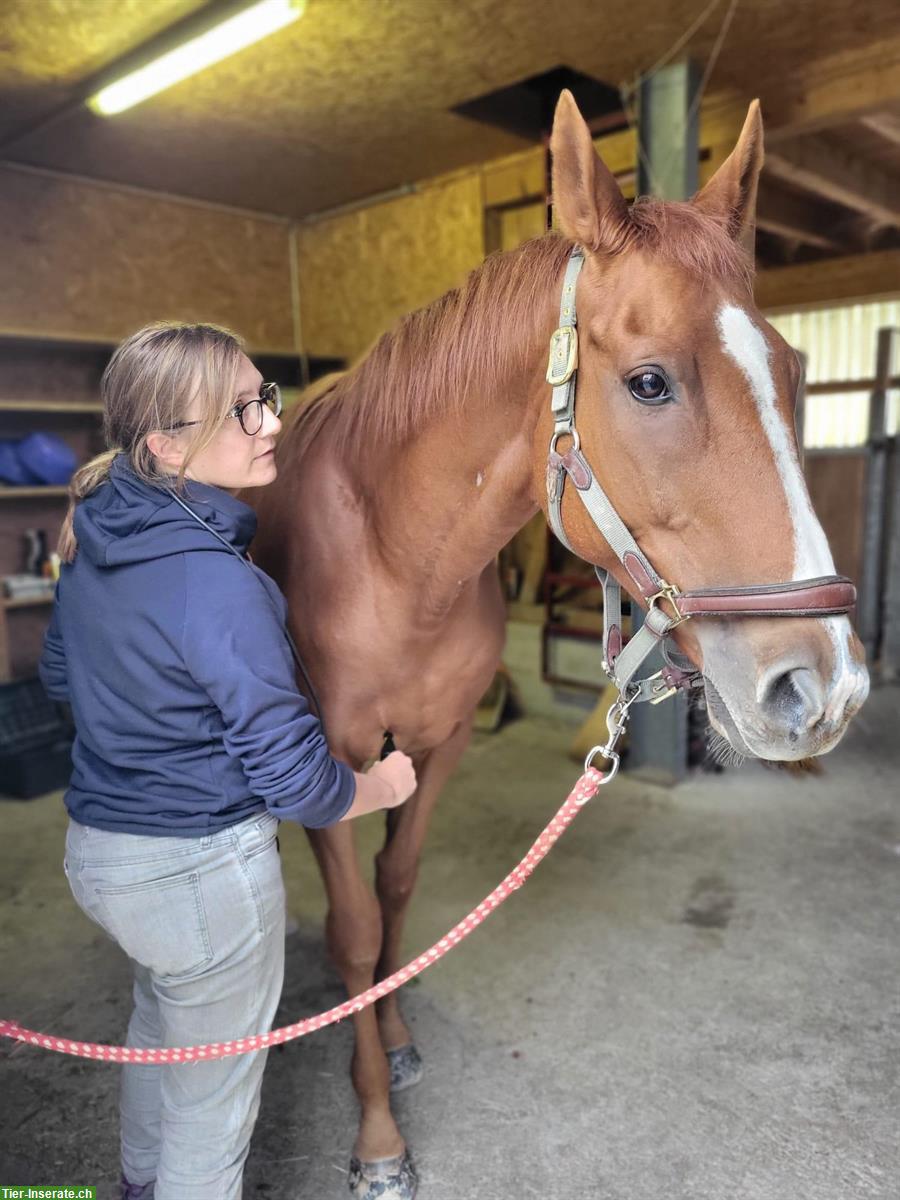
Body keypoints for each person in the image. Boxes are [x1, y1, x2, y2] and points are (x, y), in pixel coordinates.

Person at [38, 322, 417, 1200]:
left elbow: (62, 672)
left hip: (100, 855)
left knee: (157, 1030)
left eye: (264, 398)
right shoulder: (224, 583)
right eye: (242, 411)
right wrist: (384, 784)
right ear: (166, 445)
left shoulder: (95, 534)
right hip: (199, 878)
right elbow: (298, 783)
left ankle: (135, 1185)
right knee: (212, 1106)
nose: (271, 423)